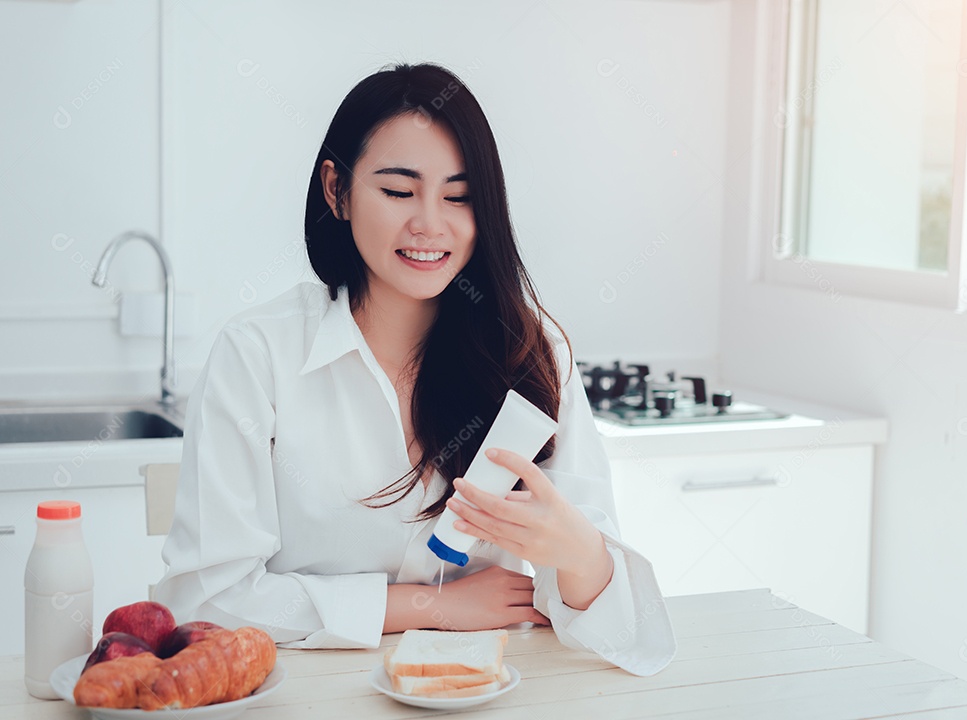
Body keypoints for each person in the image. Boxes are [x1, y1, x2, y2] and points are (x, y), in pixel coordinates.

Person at [155, 62, 676, 677]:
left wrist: (581, 556)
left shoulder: (532, 354)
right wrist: (430, 606)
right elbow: (206, 601)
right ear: (337, 190)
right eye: (399, 191)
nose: (430, 223)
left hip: (488, 692)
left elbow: (626, 634)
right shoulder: (258, 355)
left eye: (459, 197)